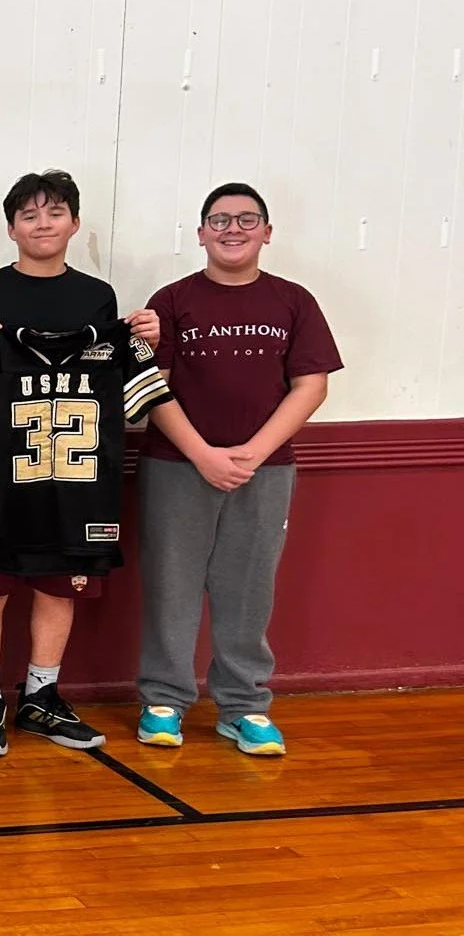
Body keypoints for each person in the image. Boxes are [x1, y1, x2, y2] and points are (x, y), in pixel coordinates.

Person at [0, 170, 159, 757]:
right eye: (29, 215)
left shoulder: (97, 297)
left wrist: (144, 342)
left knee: (61, 580)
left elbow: (125, 373)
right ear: (11, 228)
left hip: (74, 460)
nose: (42, 224)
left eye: (55, 212)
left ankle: (41, 694)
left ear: (75, 224)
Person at [135, 183, 341, 756]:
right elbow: (151, 386)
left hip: (264, 470)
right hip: (177, 465)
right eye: (220, 220)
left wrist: (254, 450)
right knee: (171, 585)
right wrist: (202, 453)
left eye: (247, 219)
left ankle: (244, 705)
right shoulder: (171, 301)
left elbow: (311, 385)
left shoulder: (294, 301)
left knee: (248, 587)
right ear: (201, 233)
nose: (233, 229)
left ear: (267, 233)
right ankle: (163, 700)